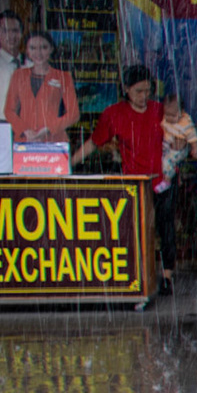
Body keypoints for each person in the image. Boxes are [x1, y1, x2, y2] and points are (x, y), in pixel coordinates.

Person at [72, 66, 175, 295]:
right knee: (133, 230)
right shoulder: (113, 114)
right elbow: (94, 142)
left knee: (166, 229)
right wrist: (69, 163)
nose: (143, 97)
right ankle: (136, 275)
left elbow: (181, 134)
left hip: (162, 181)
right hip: (134, 185)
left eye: (147, 91)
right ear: (126, 89)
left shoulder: (160, 110)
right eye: (138, 91)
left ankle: (167, 276)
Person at [2, 31, 79, 144]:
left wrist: (49, 129)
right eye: (33, 48)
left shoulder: (64, 77)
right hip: (25, 140)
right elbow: (9, 110)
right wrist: (25, 130)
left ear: (51, 49)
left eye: (43, 47)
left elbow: (74, 114)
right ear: (27, 51)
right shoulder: (18, 76)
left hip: (54, 140)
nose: (38, 53)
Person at [161, 91, 197, 185]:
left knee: (167, 161)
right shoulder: (165, 120)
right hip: (167, 145)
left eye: (173, 115)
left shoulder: (185, 123)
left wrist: (195, 149)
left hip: (179, 150)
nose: (169, 118)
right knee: (160, 159)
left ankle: (167, 179)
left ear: (182, 112)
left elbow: (193, 137)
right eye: (167, 115)